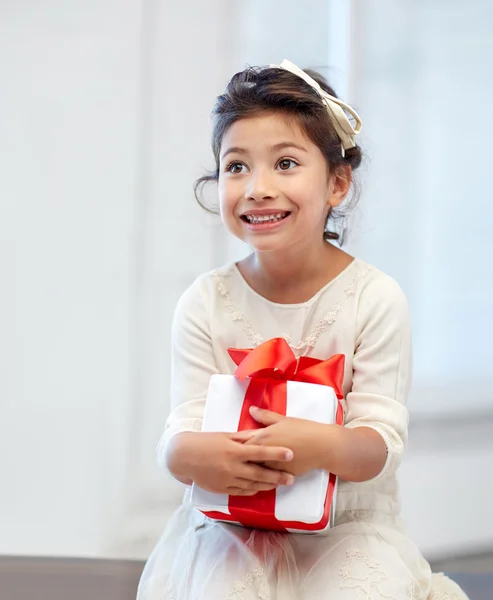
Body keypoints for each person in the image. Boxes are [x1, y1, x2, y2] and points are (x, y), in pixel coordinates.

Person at [137, 60, 469, 599]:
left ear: (338, 183)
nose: (258, 188)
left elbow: (380, 444)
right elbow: (182, 432)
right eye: (236, 166)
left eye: (285, 163)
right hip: (233, 526)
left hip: (348, 528)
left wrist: (317, 446)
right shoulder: (206, 301)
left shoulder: (374, 299)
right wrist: (190, 455)